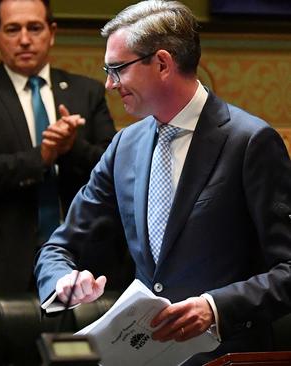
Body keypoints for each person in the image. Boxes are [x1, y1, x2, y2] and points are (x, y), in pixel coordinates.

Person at [34, 1, 291, 364]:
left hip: (224, 356)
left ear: (162, 63)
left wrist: (215, 308)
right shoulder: (125, 146)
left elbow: (287, 270)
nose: (109, 84)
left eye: (117, 69)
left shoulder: (249, 142)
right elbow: (59, 247)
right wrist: (63, 280)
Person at [0, 0, 116, 296]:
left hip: (82, 259)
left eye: (34, 28)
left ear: (52, 32)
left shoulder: (86, 92)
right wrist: (40, 157)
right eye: (13, 29)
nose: (24, 39)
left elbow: (115, 170)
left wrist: (72, 148)